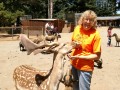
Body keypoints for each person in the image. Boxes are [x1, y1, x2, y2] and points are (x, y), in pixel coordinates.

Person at [67, 10, 101, 90]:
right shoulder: (77, 28)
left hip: (85, 68)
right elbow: (71, 43)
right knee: (75, 87)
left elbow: (97, 56)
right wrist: (73, 47)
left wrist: (80, 57)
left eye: (91, 20)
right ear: (82, 19)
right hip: (73, 64)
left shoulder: (96, 34)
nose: (88, 22)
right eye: (86, 19)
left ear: (94, 22)